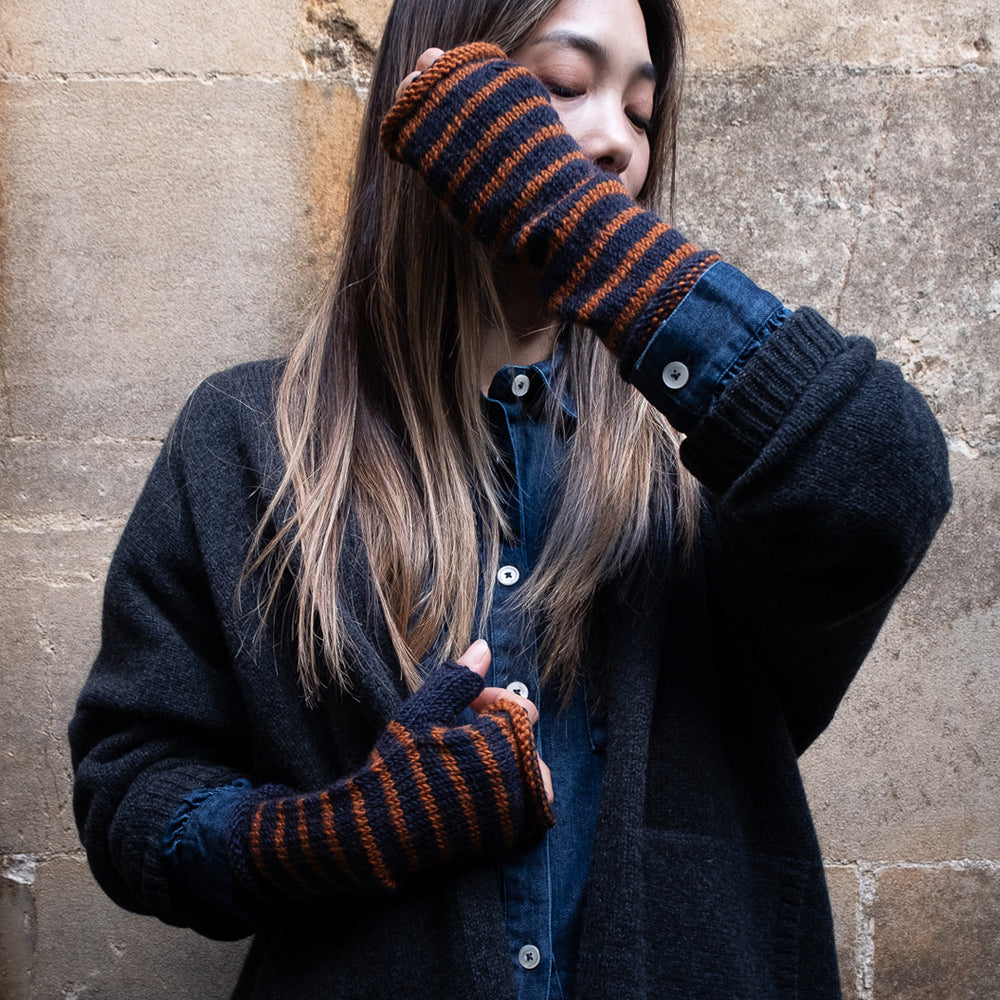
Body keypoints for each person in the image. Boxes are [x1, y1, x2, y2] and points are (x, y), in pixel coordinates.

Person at [68, 0, 952, 996]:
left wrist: (583, 234)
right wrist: (337, 836)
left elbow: (889, 486)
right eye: (563, 88)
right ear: (438, 99)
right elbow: (133, 794)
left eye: (643, 111)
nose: (616, 139)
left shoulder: (706, 453)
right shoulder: (245, 436)